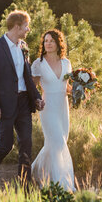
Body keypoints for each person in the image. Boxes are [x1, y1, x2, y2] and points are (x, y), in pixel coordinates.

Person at [0, 10, 44, 187]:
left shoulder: (24, 47)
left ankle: (25, 184)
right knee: (5, 145)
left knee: (26, 143)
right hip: (3, 105)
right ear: (17, 27)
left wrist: (37, 98)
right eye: (26, 26)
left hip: (24, 103)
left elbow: (27, 76)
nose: (28, 30)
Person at [30, 29, 75, 191]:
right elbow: (32, 87)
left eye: (51, 41)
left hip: (63, 106)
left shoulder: (66, 63)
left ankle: (36, 171)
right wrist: (35, 100)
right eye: (45, 41)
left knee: (55, 143)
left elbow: (66, 86)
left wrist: (80, 90)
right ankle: (62, 184)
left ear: (58, 43)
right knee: (58, 143)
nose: (47, 44)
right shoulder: (38, 63)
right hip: (47, 107)